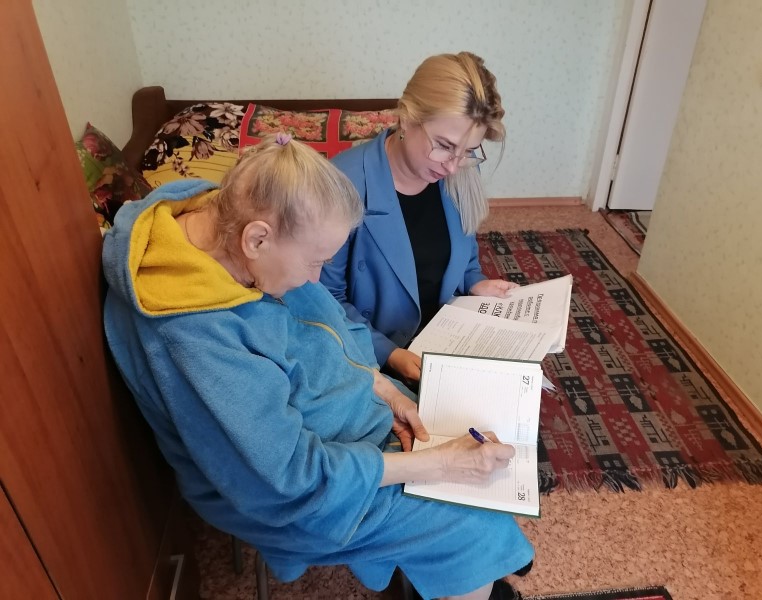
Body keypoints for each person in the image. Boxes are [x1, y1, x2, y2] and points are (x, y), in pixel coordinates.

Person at [103, 133, 532, 600]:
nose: (315, 280)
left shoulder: (222, 214)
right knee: (467, 519)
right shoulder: (194, 338)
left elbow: (323, 327)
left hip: (335, 418)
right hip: (295, 490)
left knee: (468, 430)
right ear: (257, 239)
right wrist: (433, 464)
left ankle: (470, 564)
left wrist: (379, 386)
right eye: (314, 262)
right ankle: (475, 566)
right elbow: (289, 479)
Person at [321, 51, 518, 385]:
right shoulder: (340, 184)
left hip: (444, 340)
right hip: (368, 355)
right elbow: (325, 300)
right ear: (407, 119)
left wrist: (475, 282)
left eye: (467, 151)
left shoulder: (462, 172)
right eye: (444, 145)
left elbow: (465, 257)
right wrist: (389, 353)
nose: (452, 166)